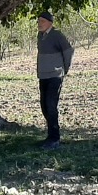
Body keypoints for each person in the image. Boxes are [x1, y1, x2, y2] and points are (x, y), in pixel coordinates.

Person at [35, 10, 73, 149]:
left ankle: (54, 139)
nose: (39, 24)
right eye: (38, 21)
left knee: (51, 106)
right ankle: (50, 136)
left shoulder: (57, 35)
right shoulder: (40, 36)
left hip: (55, 75)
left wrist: (64, 69)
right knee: (44, 106)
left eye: (42, 21)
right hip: (43, 76)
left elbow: (68, 51)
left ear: (50, 23)